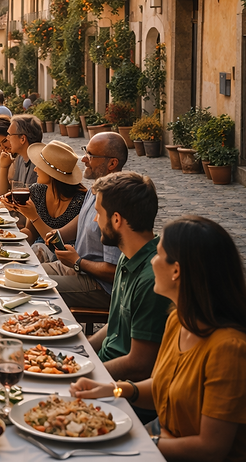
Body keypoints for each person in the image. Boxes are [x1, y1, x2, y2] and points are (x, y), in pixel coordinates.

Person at [70, 216, 246, 461]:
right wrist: (113, 389)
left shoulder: (229, 350)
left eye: (159, 255)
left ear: (176, 271)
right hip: (163, 437)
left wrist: (132, 440)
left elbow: (210, 448)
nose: (152, 261)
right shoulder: (178, 319)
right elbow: (164, 386)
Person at [84, 171, 171, 421]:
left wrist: (89, 372)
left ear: (117, 219)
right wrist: (83, 352)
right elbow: (116, 324)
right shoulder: (127, 255)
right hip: (105, 376)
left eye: (98, 213)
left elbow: (139, 364)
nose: (95, 220)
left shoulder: (153, 278)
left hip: (126, 399)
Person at [37, 132, 128, 310]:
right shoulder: (97, 187)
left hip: (100, 285)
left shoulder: (115, 201)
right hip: (78, 268)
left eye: (91, 155)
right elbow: (83, 217)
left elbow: (115, 272)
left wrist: (78, 262)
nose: (84, 159)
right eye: (86, 151)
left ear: (112, 163)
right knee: (25, 273)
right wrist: (60, 233)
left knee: (36, 287)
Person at [5, 140, 86, 246]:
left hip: (63, 254)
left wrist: (34, 217)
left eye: (39, 166)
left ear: (51, 173)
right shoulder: (38, 191)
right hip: (38, 249)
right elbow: (31, 233)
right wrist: (8, 236)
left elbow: (55, 242)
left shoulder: (79, 202)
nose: (35, 169)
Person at [0, 114, 43, 195]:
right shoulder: (20, 158)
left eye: (10, 134)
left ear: (22, 139)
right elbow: (4, 193)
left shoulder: (40, 163)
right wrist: (4, 167)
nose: (7, 138)